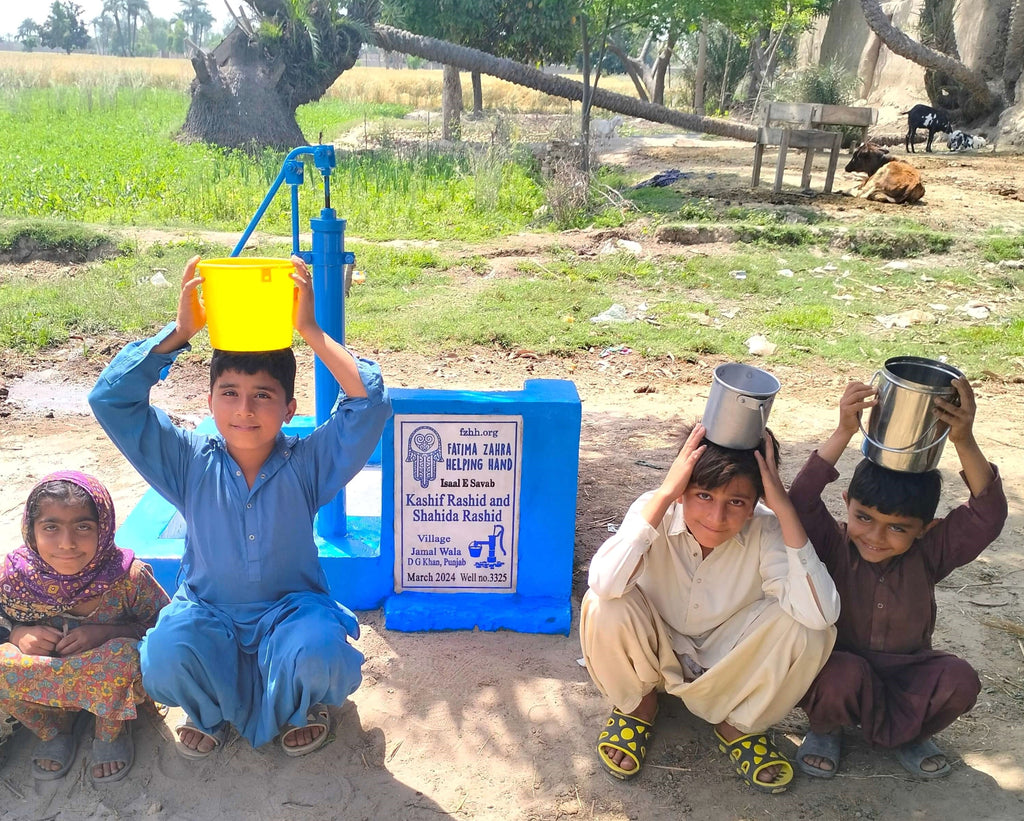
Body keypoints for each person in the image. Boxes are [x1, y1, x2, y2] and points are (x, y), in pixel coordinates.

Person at [88, 255, 392, 759]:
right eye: (229, 392)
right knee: (163, 655)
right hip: (208, 614)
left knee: (322, 652)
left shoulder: (308, 464)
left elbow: (370, 403)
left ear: (290, 408)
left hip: (291, 614)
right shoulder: (186, 461)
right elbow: (112, 400)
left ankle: (297, 707)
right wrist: (181, 332)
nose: (244, 409)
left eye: (263, 395)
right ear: (209, 401)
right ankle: (206, 711)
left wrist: (311, 330)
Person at [580, 422, 840, 794]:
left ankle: (740, 723)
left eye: (736, 502)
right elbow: (603, 583)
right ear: (683, 489)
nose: (716, 519)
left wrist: (783, 508)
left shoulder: (766, 529)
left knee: (810, 629)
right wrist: (667, 492)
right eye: (703, 495)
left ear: (754, 505)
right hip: (655, 648)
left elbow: (822, 614)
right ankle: (638, 705)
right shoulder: (656, 509)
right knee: (604, 603)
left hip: (728, 657)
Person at [790, 379, 1007, 780]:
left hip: (910, 671)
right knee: (836, 673)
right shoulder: (834, 546)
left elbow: (987, 514)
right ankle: (826, 728)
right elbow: (800, 499)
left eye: (898, 528)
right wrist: (843, 431)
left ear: (926, 528)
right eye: (864, 518)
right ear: (846, 506)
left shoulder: (929, 554)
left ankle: (912, 733)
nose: (875, 537)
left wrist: (964, 439)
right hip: (842, 668)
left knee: (959, 680)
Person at [0, 471, 170, 784]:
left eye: (83, 526)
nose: (67, 543)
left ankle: (109, 733)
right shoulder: (13, 578)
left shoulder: (128, 578)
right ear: (31, 530)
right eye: (51, 527)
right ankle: (52, 729)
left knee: (122, 655)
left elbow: (166, 626)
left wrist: (105, 634)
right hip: (46, 679)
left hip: (107, 681)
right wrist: (16, 634)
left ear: (103, 528)